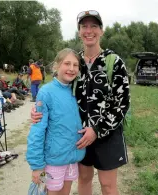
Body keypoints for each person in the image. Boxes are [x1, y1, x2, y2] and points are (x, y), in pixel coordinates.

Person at [31, 10, 130, 195]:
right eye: (84, 26)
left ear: (101, 30)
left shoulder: (114, 62)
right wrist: (38, 108)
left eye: (94, 26)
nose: (89, 30)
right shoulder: (74, 62)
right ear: (79, 31)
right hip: (80, 136)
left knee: (108, 185)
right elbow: (56, 90)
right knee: (84, 180)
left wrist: (98, 129)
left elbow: (122, 103)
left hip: (107, 135)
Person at [26, 48, 85, 195]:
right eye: (67, 63)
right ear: (56, 66)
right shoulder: (46, 92)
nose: (71, 68)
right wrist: (37, 166)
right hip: (52, 162)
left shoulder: (77, 90)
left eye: (75, 65)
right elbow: (37, 131)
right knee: (45, 191)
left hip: (71, 159)